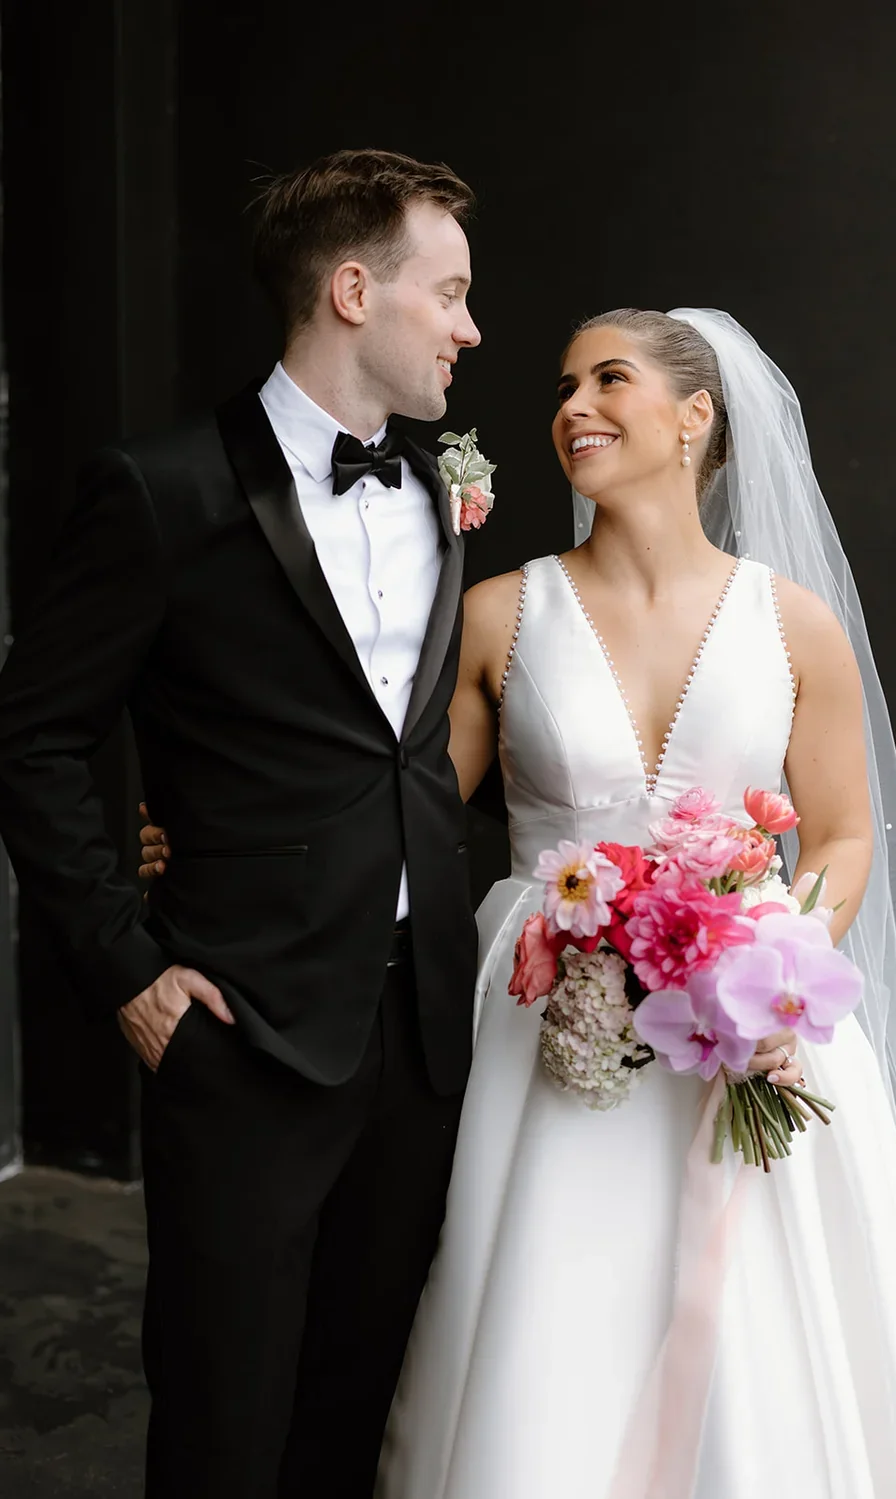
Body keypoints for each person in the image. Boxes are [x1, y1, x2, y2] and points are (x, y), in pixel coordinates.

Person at [136, 311, 896, 1491]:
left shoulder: (794, 623)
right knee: (546, 1325)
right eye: (562, 386)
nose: (573, 407)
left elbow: (843, 834)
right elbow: (396, 805)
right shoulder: (501, 611)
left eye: (609, 379)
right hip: (535, 1017)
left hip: (743, 1025)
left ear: (694, 416)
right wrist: (213, 831)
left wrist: (774, 963)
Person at [0, 148, 483, 1498]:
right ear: (352, 291)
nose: (470, 329)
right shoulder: (160, 488)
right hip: (243, 1026)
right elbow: (32, 736)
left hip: (424, 1027)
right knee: (224, 1414)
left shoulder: (448, 485)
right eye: (449, 293)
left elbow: (408, 745)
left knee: (359, 1405)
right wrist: (126, 968)